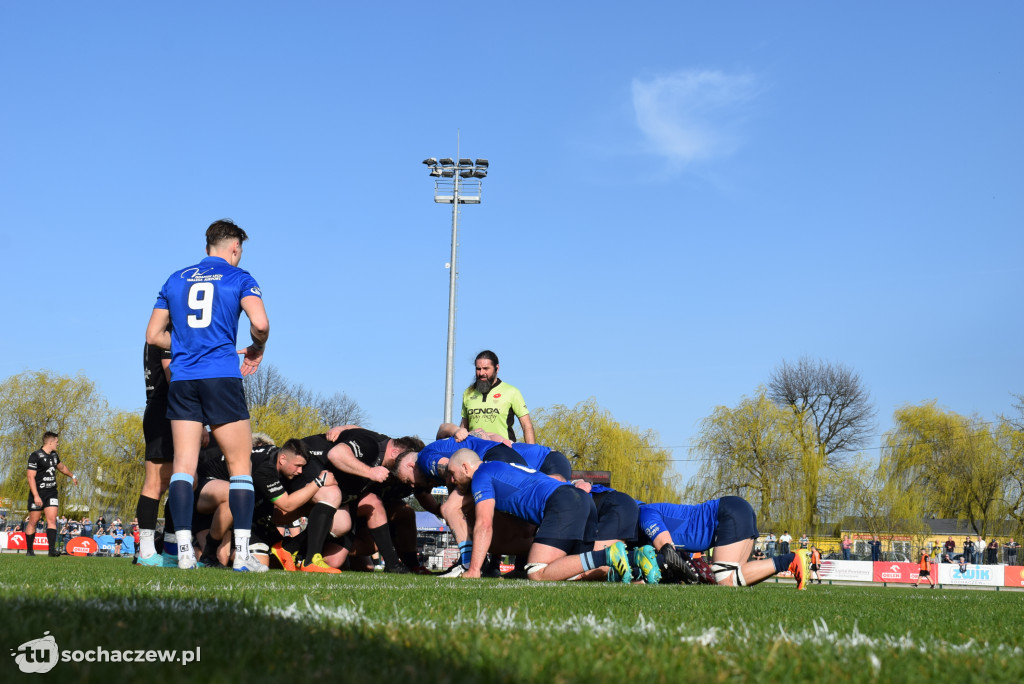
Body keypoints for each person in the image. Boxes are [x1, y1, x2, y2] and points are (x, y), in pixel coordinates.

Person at [146, 219, 269, 571]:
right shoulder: (240, 277)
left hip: (183, 380)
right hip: (221, 377)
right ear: (234, 248)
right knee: (240, 467)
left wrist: (184, 343)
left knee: (183, 467)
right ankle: (243, 555)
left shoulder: (175, 278)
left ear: (206, 248)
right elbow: (259, 324)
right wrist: (257, 347)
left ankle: (183, 551)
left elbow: (153, 335)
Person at [448, 449, 630, 582]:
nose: (451, 480)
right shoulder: (502, 467)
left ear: (465, 467)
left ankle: (606, 556)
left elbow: (484, 524)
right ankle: (636, 560)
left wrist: (473, 570)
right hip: (579, 498)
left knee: (537, 572)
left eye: (452, 473)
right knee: (571, 568)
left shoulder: (481, 475)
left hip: (562, 502)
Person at [638, 498, 809, 589]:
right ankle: (790, 561)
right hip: (735, 509)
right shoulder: (646, 514)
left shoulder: (644, 512)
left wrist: (689, 578)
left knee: (724, 579)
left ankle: (790, 560)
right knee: (737, 578)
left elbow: (670, 554)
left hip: (727, 513)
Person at [134, 342, 179, 567]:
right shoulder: (167, 332)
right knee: (155, 483)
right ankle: (147, 552)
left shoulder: (157, 333)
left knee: (184, 481)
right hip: (165, 411)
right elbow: (172, 374)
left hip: (164, 410)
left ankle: (169, 550)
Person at [460, 350, 534, 443]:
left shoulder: (511, 392)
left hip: (503, 450)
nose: (481, 373)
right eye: (478, 369)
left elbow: (526, 425)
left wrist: (532, 452)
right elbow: (463, 427)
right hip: (475, 450)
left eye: (486, 368)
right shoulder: (468, 393)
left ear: (497, 368)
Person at [26, 431, 78, 557]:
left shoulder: (54, 455)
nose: (58, 444)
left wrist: (72, 476)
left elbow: (61, 467)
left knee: (52, 520)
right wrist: (36, 496)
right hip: (37, 493)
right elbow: (30, 477)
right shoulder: (35, 456)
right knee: (33, 521)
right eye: (56, 442)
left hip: (51, 493)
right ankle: (29, 551)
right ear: (50, 442)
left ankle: (51, 550)